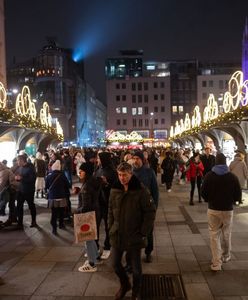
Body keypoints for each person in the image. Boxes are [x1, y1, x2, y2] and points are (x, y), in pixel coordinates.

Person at [108, 162, 156, 300]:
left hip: (134, 234)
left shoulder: (141, 190)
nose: (122, 178)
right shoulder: (115, 189)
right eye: (119, 175)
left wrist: (143, 232)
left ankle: (136, 291)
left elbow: (150, 212)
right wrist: (110, 226)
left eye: (124, 175)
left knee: (136, 268)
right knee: (115, 263)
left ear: (131, 174)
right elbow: (110, 209)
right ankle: (125, 285)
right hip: (117, 233)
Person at [201, 153, 241, 271]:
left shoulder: (209, 176)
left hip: (213, 209)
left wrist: (208, 200)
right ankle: (226, 255)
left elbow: (203, 192)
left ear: (215, 162)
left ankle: (216, 262)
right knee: (227, 233)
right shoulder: (232, 177)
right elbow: (238, 194)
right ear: (225, 162)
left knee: (214, 235)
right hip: (228, 210)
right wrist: (233, 201)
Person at [133, 150, 159, 263]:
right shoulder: (131, 173)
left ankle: (148, 252)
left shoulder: (149, 172)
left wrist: (155, 207)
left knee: (148, 230)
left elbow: (155, 191)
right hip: (134, 208)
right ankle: (135, 253)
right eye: (134, 158)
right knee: (135, 231)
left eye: (137, 159)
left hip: (147, 207)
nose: (135, 161)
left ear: (142, 160)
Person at [77, 162, 102, 272]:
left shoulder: (87, 185)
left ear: (86, 172)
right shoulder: (93, 182)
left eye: (81, 171)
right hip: (95, 212)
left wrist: (75, 212)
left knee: (88, 239)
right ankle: (96, 257)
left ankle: (91, 264)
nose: (79, 173)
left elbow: (86, 205)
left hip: (88, 215)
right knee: (92, 238)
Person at [94, 151, 118, 260]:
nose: (97, 160)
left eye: (99, 158)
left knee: (108, 227)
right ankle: (95, 247)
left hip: (107, 203)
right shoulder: (98, 169)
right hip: (98, 202)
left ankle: (107, 247)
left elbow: (116, 188)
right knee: (96, 226)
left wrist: (106, 184)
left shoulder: (112, 171)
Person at [45, 160, 70, 235]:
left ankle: (54, 229)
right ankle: (61, 224)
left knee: (54, 213)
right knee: (61, 212)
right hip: (62, 196)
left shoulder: (49, 176)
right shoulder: (62, 175)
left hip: (53, 197)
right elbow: (68, 185)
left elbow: (46, 187)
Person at [16, 154, 37, 229]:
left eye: (18, 160)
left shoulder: (30, 168)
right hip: (21, 190)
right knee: (19, 207)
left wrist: (21, 178)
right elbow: (19, 176)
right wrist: (17, 178)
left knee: (31, 206)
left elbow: (32, 179)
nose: (17, 162)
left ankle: (34, 221)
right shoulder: (19, 168)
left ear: (22, 160)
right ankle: (19, 223)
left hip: (29, 191)